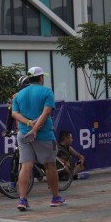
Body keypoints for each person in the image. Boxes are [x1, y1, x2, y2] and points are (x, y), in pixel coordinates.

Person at [10, 66, 66, 210]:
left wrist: (29, 123)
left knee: (25, 166)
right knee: (50, 165)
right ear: (41, 78)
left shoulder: (19, 95)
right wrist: (35, 129)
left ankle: (22, 200)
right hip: (44, 134)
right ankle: (55, 198)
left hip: (23, 134)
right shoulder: (47, 92)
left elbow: (14, 114)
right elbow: (46, 113)